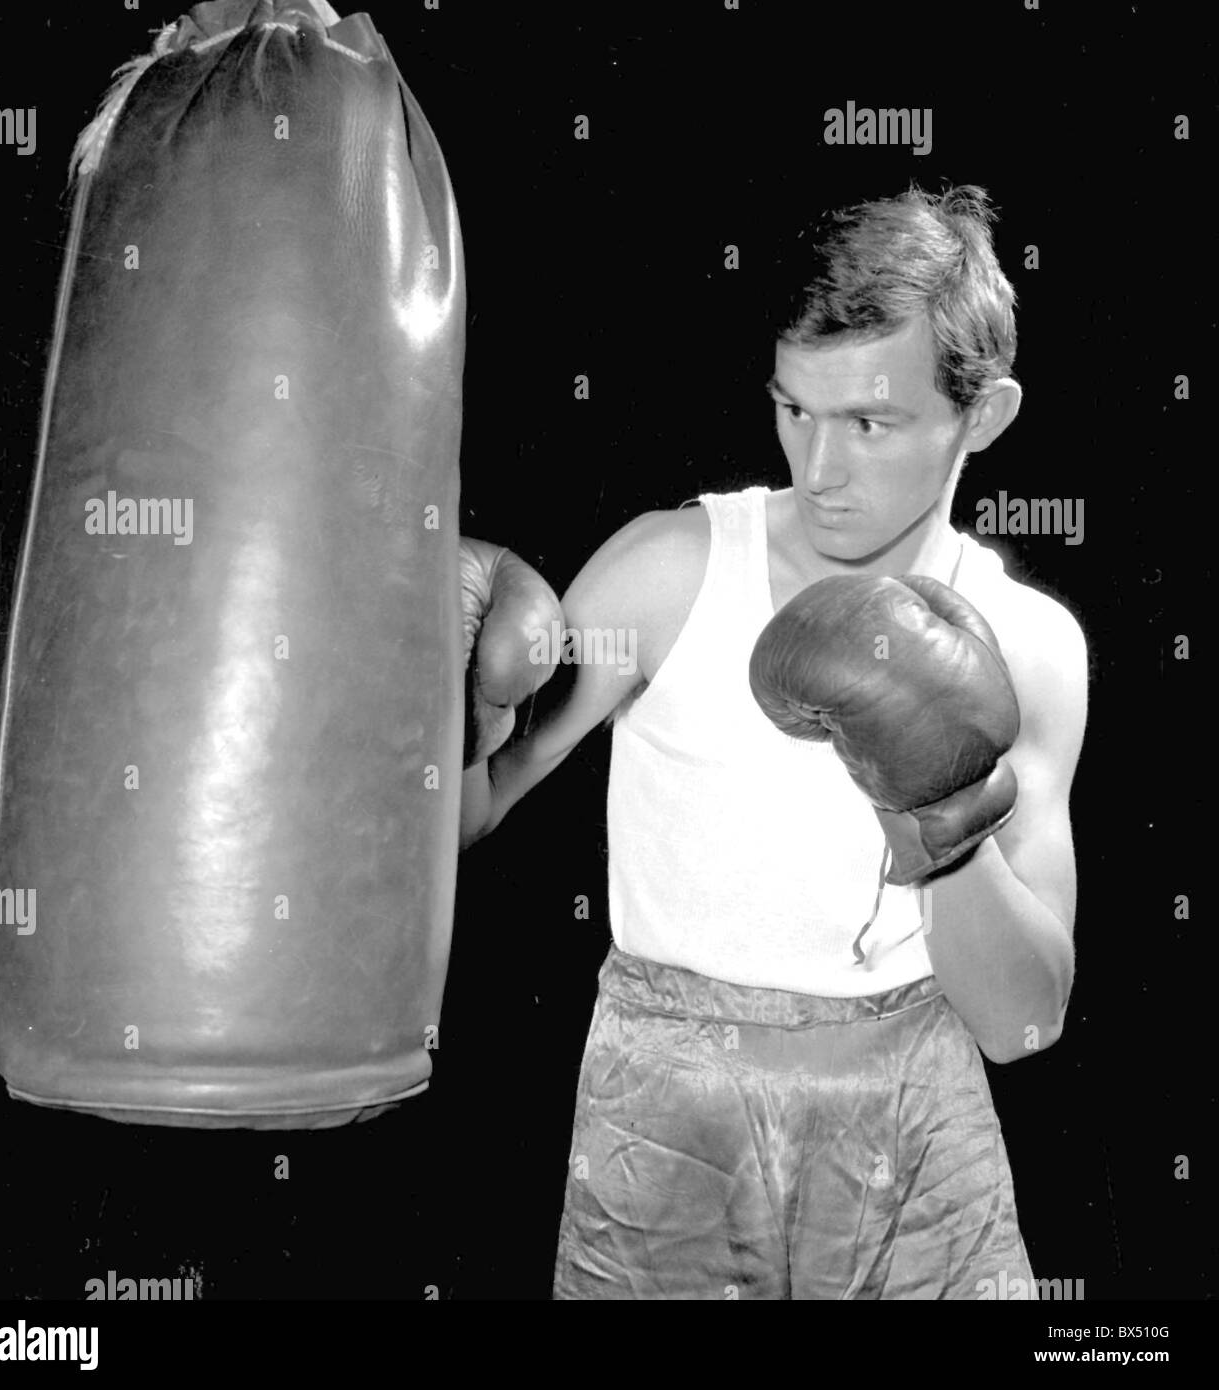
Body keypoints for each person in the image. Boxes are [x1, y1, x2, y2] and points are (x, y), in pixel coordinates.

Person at [458, 184, 1087, 1300]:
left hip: (912, 1109)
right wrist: (419, 698)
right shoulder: (669, 570)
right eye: (796, 409)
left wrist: (941, 827)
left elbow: (1023, 1020)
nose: (819, 465)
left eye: (871, 422)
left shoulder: (1031, 649)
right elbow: (471, 806)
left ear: (983, 417)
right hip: (671, 1098)